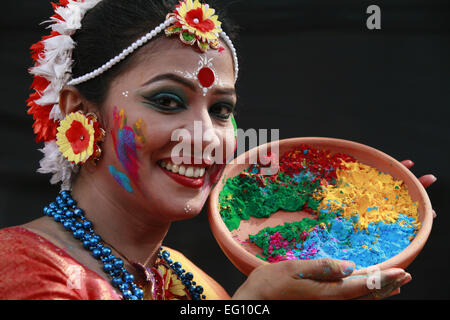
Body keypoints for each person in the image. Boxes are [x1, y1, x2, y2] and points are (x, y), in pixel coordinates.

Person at [0, 0, 437, 300]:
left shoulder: (191, 285)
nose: (206, 136)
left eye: (222, 109)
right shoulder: (22, 268)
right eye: (167, 101)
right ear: (80, 112)